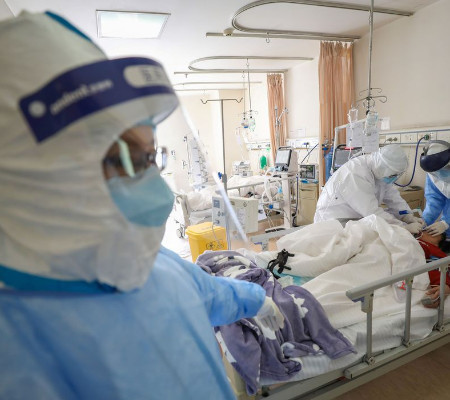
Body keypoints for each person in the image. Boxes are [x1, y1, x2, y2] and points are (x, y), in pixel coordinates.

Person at [0, 11, 283, 399]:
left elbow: (210, 294)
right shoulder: (15, 351)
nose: (158, 192)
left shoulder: (150, 262)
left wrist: (258, 300)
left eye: (151, 158)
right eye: (124, 160)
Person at [314, 144, 424, 234]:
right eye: (393, 175)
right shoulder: (355, 174)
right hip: (335, 222)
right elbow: (372, 212)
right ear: (383, 168)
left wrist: (407, 215)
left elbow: (393, 197)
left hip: (355, 219)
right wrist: (402, 227)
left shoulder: (380, 172)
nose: (394, 178)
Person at [420, 140, 450, 250]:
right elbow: (434, 200)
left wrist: (447, 222)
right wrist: (425, 221)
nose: (438, 174)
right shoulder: (433, 172)